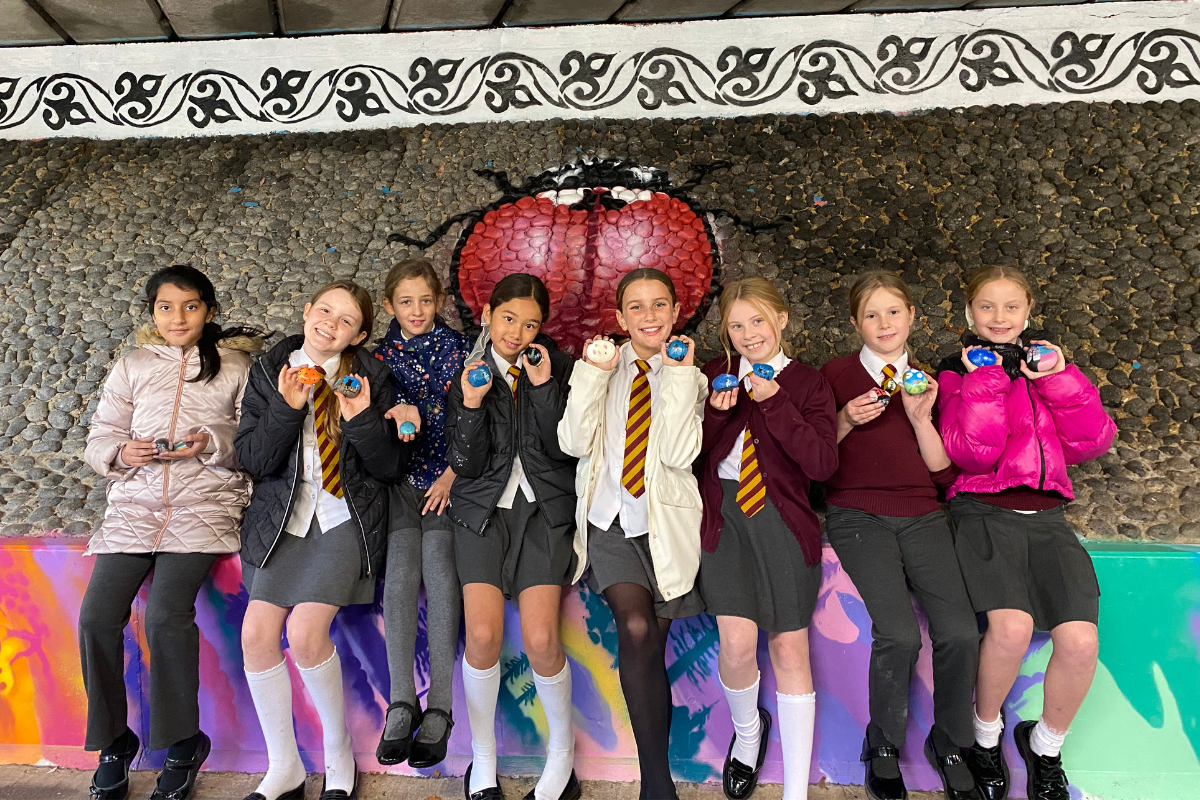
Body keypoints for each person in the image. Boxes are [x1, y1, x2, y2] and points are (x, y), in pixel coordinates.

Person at [80, 265, 264, 800]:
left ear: (209, 310)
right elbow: (101, 435)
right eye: (165, 307)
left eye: (189, 306)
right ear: (152, 313)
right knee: (95, 617)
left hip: (204, 507)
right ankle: (114, 741)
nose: (177, 317)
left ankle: (183, 742)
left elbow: (252, 439)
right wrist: (119, 452)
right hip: (134, 509)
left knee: (165, 616)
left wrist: (210, 441)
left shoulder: (236, 367)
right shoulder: (132, 366)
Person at [937, 265, 1116, 800]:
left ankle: (1045, 747)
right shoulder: (953, 370)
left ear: (1028, 313)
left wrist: (1059, 380)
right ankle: (985, 739)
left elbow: (1092, 443)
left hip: (1049, 518)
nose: (999, 317)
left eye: (1010, 307)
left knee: (1081, 640)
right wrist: (987, 379)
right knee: (1010, 629)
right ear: (970, 313)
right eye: (986, 307)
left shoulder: (1051, 368)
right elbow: (972, 452)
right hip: (983, 512)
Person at [235, 280, 408, 800]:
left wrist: (361, 421)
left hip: (341, 517)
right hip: (281, 523)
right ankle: (284, 767)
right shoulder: (269, 371)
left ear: (358, 336)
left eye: (347, 320)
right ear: (307, 310)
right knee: (256, 637)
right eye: (325, 310)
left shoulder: (371, 377)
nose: (331, 323)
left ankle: (339, 758)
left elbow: (386, 468)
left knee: (308, 634)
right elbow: (254, 460)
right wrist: (287, 408)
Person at [820, 271, 981, 800]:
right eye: (871, 314)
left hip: (923, 515)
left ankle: (950, 740)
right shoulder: (834, 377)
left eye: (894, 312)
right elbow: (816, 465)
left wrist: (919, 419)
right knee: (901, 634)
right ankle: (882, 741)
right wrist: (843, 419)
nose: (884, 323)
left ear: (912, 316)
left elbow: (942, 474)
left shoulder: (933, 382)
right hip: (856, 515)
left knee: (959, 632)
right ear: (854, 323)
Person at [558, 268, 707, 800]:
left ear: (675, 313)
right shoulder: (600, 365)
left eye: (659, 305)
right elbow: (573, 441)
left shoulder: (691, 373)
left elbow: (678, 454)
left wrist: (681, 376)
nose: (649, 317)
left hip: (665, 529)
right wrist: (594, 375)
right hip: (609, 523)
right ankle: (656, 784)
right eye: (636, 308)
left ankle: (655, 775)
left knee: (653, 646)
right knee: (638, 630)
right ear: (620, 318)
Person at [698, 277, 838, 800]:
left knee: (788, 647)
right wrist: (716, 412)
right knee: (736, 644)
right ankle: (749, 737)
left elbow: (822, 463)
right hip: (725, 517)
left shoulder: (807, 384)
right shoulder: (713, 375)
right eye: (737, 325)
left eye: (758, 320)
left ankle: (795, 789)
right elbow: (689, 457)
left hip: (782, 519)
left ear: (781, 320)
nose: (748, 333)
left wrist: (777, 403)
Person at [445, 274, 580, 800]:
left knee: (543, 639)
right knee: (481, 637)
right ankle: (483, 762)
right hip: (482, 512)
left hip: (545, 510)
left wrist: (545, 388)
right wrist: (472, 404)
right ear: (486, 315)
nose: (518, 333)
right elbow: (466, 462)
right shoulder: (469, 373)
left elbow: (563, 448)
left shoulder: (558, 366)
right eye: (508, 319)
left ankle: (562, 760)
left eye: (530, 324)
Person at [372, 259, 471, 768]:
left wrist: (455, 473)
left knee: (440, 568)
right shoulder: (378, 359)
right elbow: (365, 427)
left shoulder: (460, 351)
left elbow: (474, 419)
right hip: (401, 483)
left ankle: (442, 707)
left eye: (425, 301)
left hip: (447, 482)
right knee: (400, 577)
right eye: (405, 302)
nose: (416, 310)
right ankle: (402, 700)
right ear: (390, 306)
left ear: (440, 302)